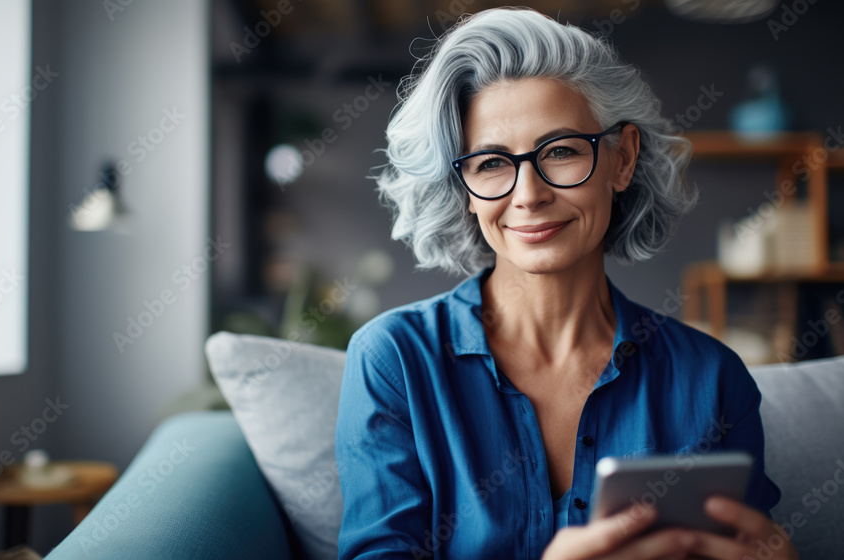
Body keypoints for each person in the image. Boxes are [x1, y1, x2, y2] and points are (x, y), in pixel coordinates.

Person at [335, 7, 798, 560]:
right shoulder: (393, 361)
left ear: (621, 160)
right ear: (463, 187)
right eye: (489, 164)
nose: (528, 195)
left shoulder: (712, 378)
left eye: (559, 152)